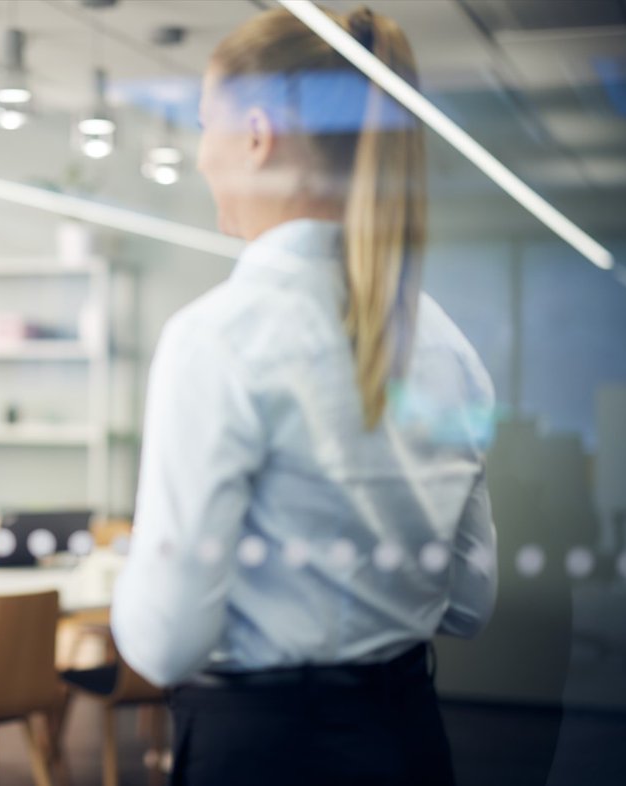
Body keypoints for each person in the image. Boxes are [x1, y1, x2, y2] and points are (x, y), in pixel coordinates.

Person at [111, 6, 497, 785]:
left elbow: (165, 642)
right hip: (410, 740)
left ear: (256, 136)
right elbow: (469, 602)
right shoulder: (447, 343)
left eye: (202, 127)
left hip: (266, 750)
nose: (199, 157)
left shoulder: (217, 337)